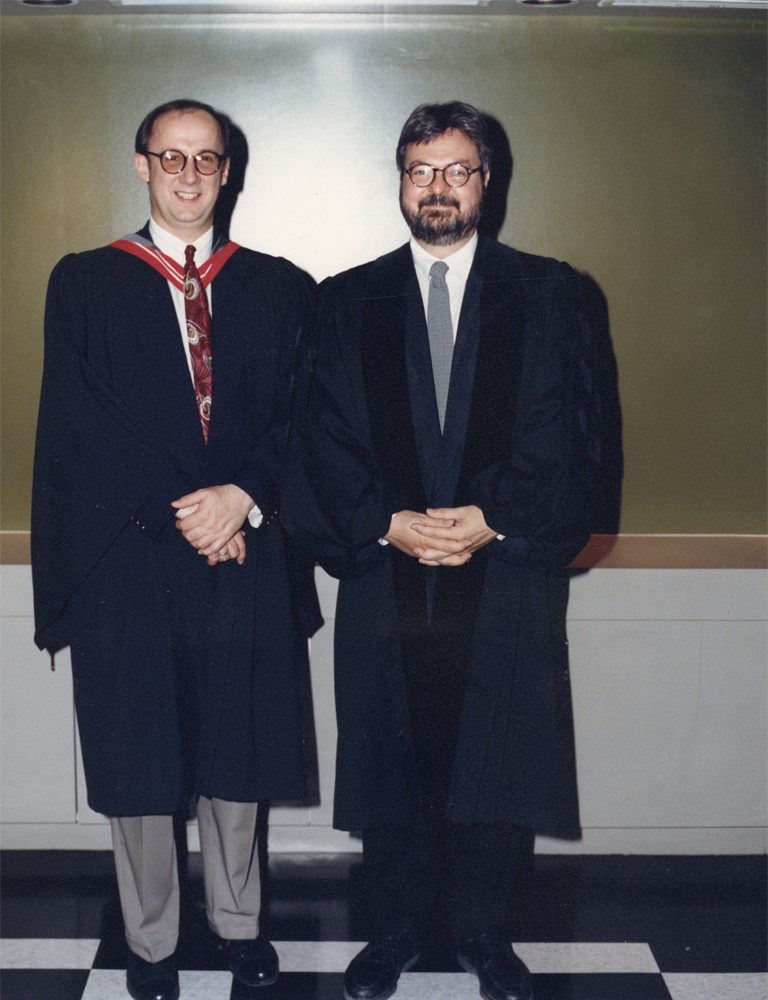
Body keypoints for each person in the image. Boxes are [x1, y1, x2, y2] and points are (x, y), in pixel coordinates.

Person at [285, 101, 601, 1000]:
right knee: (391, 758)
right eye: (422, 171)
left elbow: (572, 436)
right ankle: (388, 934)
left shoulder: (549, 295)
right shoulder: (347, 301)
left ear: (487, 182)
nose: (438, 189)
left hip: (503, 576)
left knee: (497, 760)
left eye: (457, 170)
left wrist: (490, 516)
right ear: (399, 179)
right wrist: (386, 519)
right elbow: (321, 440)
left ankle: (486, 937)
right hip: (387, 574)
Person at [31, 99, 321, 1000]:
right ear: (140, 165)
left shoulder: (281, 287)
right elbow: (81, 422)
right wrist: (187, 508)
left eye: (207, 158)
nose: (189, 174)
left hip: (246, 551)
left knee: (239, 749)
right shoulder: (83, 280)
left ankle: (239, 926)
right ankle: (150, 940)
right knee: (141, 755)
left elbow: (301, 420)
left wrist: (242, 499)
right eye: (171, 157)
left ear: (228, 170)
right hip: (133, 554)